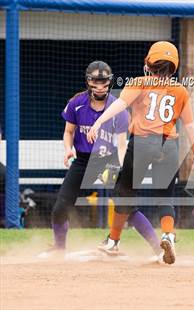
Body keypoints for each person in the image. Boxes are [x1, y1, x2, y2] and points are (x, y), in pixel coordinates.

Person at [87, 41, 194, 264]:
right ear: (174, 67)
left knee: (124, 192)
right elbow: (190, 126)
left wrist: (99, 121)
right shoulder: (180, 90)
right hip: (169, 146)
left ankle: (113, 241)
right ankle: (168, 234)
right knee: (165, 197)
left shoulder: (139, 82)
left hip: (141, 144)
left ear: (148, 63)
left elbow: (120, 104)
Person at [40, 61, 161, 258]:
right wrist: (67, 150)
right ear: (88, 82)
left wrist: (120, 165)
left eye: (104, 82)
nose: (99, 86)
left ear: (109, 82)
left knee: (126, 206)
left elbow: (122, 144)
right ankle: (59, 248)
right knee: (61, 206)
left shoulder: (118, 107)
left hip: (107, 160)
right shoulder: (77, 103)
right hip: (82, 161)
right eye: (95, 82)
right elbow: (68, 132)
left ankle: (159, 249)